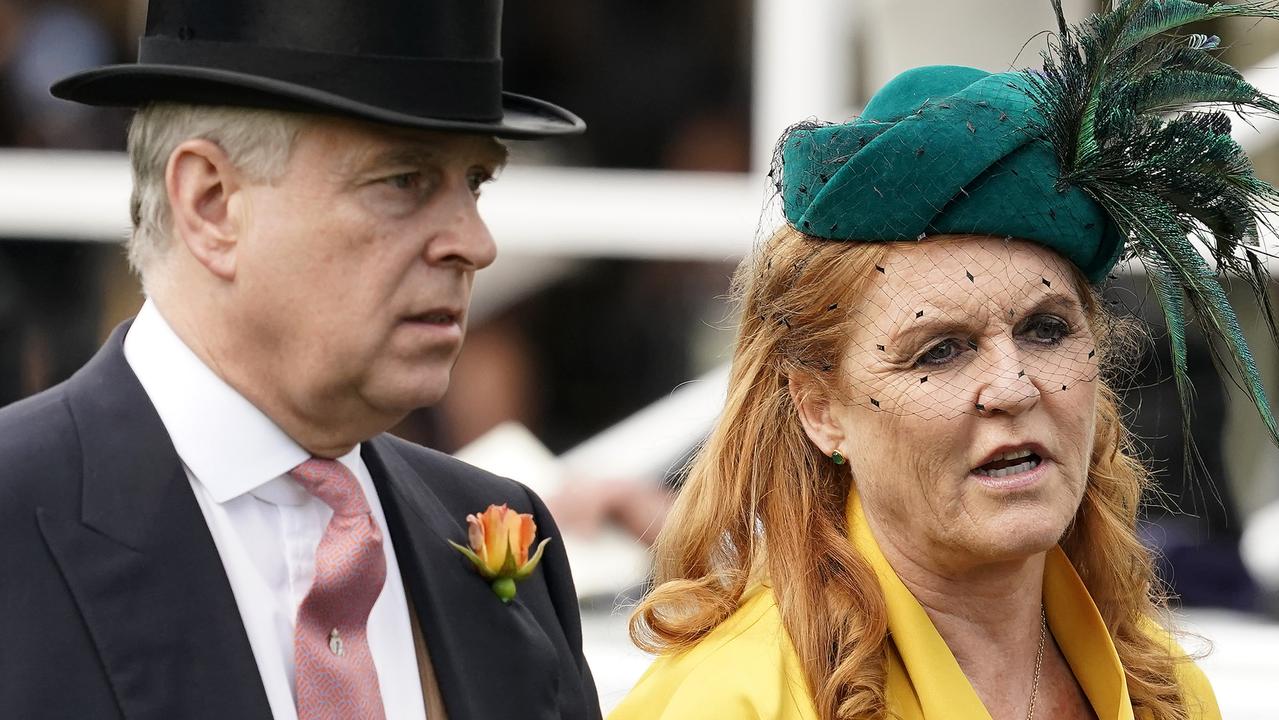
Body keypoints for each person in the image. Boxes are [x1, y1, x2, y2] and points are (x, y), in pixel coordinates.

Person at [611, 2, 1279, 718]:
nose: (1012, 387)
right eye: (941, 350)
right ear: (819, 409)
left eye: (1046, 330)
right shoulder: (732, 699)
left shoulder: (1164, 690)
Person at [0, 1, 602, 719]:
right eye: (402, 180)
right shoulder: (16, 515)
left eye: (474, 182)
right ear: (212, 203)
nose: (474, 243)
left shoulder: (498, 528)